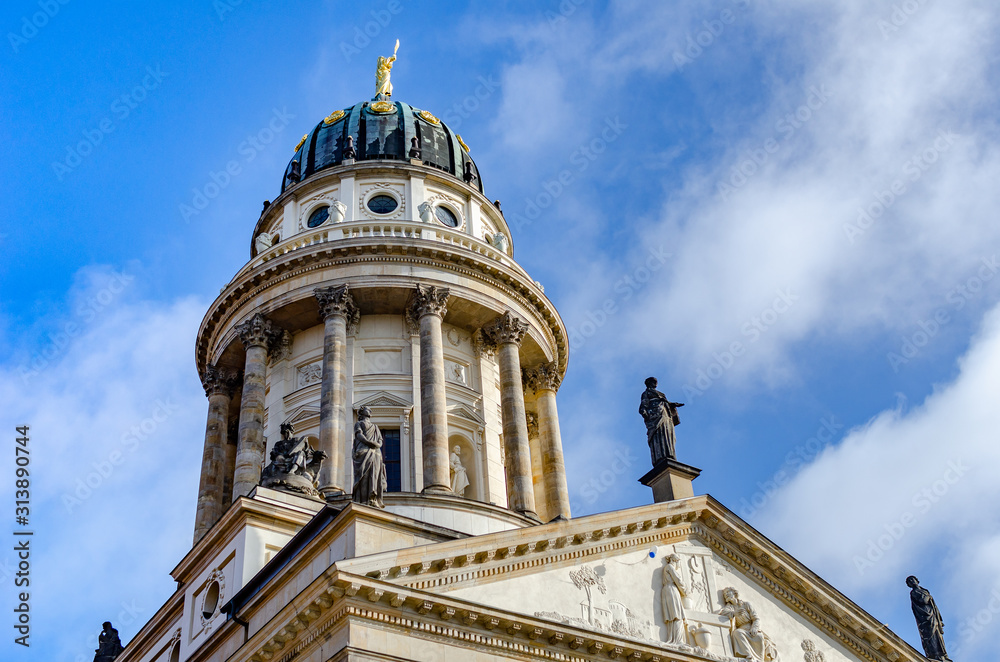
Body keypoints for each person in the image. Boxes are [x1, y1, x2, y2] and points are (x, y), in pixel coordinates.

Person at [719, 587, 779, 660]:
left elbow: (756, 618)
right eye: (725, 594)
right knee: (737, 633)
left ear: (734, 593)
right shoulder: (730, 607)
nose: (726, 594)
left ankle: (758, 659)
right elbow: (723, 613)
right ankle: (748, 655)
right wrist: (734, 613)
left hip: (751, 628)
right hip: (741, 629)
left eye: (728, 592)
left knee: (759, 637)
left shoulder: (746, 604)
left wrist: (754, 628)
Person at [638, 377, 684, 464]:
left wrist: (672, 405)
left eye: (656, 382)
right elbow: (642, 407)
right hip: (655, 417)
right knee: (658, 434)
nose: (656, 383)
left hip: (665, 415)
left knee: (667, 434)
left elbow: (666, 403)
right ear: (649, 383)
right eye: (653, 382)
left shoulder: (661, 394)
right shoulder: (646, 393)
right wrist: (647, 415)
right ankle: (660, 456)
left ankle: (669, 454)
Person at [907, 576, 951, 661]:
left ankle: (942, 655)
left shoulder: (924, 591)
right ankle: (935, 655)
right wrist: (928, 596)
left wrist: (939, 618)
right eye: (909, 581)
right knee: (930, 635)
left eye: (912, 579)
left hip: (932, 615)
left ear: (917, 580)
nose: (912, 581)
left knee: (937, 635)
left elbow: (934, 606)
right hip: (925, 618)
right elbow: (924, 601)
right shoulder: (914, 592)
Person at [352, 406, 387, 508]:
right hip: (363, 451)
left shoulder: (375, 427)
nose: (370, 411)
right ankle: (363, 500)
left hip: (375, 452)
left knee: (374, 476)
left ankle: (373, 497)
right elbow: (359, 435)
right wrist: (369, 442)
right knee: (364, 475)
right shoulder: (358, 424)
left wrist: (377, 445)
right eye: (367, 409)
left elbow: (380, 440)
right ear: (361, 412)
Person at [661, 554, 688, 644]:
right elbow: (678, 580)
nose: (679, 565)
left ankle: (673, 638)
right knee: (677, 614)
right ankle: (678, 640)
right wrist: (686, 591)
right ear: (675, 561)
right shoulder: (670, 567)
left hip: (668, 590)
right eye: (679, 562)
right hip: (672, 590)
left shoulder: (667, 567)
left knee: (673, 615)